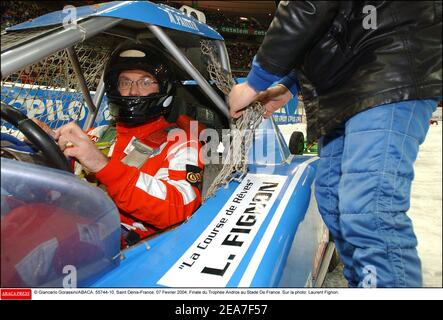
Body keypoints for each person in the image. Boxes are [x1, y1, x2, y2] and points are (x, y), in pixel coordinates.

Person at [228, 1, 442, 287]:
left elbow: (308, 5)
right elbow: (334, 24)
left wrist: (255, 81)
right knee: (332, 199)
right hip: (348, 80)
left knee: (368, 209)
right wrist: (290, 86)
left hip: (386, 64)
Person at [54, 43, 204, 246]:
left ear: (163, 88)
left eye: (145, 82)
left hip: (122, 252)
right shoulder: (97, 135)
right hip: (69, 225)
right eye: (125, 82)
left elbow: (181, 207)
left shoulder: (180, 143)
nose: (133, 91)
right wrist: (48, 145)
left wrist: (104, 166)